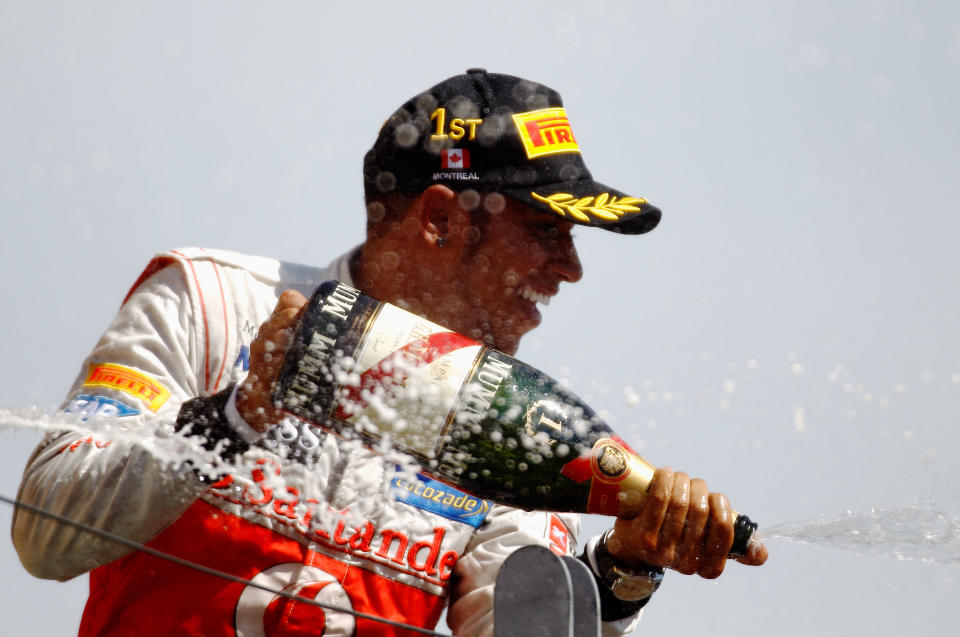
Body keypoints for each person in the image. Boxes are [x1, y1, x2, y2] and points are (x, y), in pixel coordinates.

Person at [13, 69, 766, 636]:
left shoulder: (521, 426)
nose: (571, 269)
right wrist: (238, 415)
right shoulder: (214, 299)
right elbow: (45, 529)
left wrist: (623, 569)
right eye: (545, 230)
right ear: (441, 219)